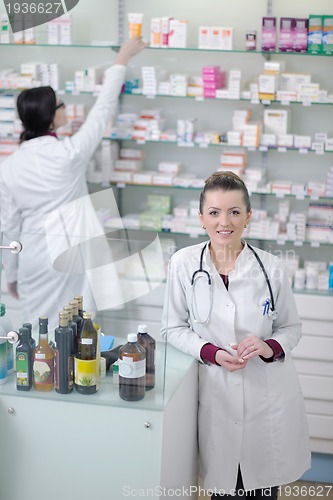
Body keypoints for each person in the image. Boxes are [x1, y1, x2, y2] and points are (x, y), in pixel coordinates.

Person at [161, 171, 311, 499]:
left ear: (249, 217)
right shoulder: (184, 263)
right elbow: (171, 327)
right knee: (224, 489)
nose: (223, 222)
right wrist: (210, 352)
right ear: (201, 218)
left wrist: (269, 346)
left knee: (261, 489)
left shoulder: (271, 267)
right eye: (214, 213)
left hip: (264, 398)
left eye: (234, 212)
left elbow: (291, 327)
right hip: (215, 395)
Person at [0, 37, 145, 336]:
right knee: (76, 330)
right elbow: (103, 108)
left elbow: (9, 226)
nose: (65, 108)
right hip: (69, 253)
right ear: (52, 116)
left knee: (37, 329)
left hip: (32, 257)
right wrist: (122, 59)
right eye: (61, 105)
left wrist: (10, 274)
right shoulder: (70, 153)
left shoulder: (10, 165)